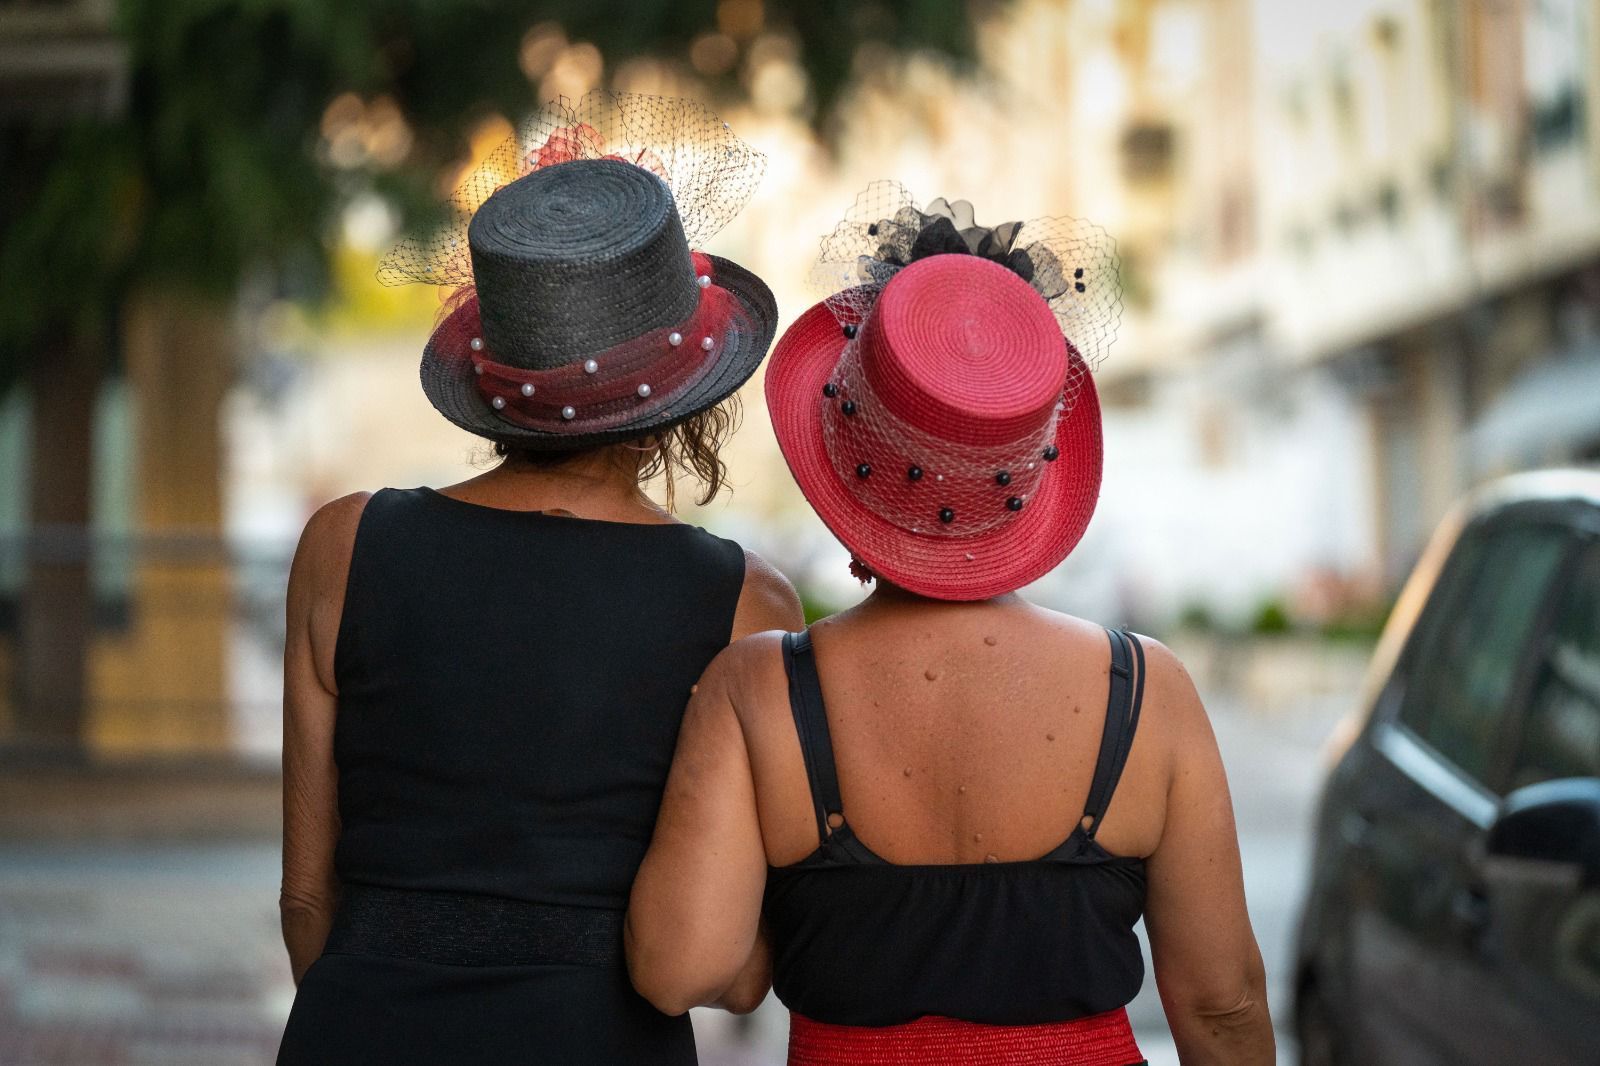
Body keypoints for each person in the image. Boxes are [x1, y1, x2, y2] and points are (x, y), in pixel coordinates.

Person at [627, 185, 1275, 1065]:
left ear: (845, 473)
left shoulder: (758, 691)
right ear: (1029, 478)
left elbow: (681, 971)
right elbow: (1223, 1001)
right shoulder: (1146, 692)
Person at [276, 93, 800, 1066]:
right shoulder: (744, 601)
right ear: (682, 396)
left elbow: (308, 900)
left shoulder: (343, 545)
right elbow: (734, 973)